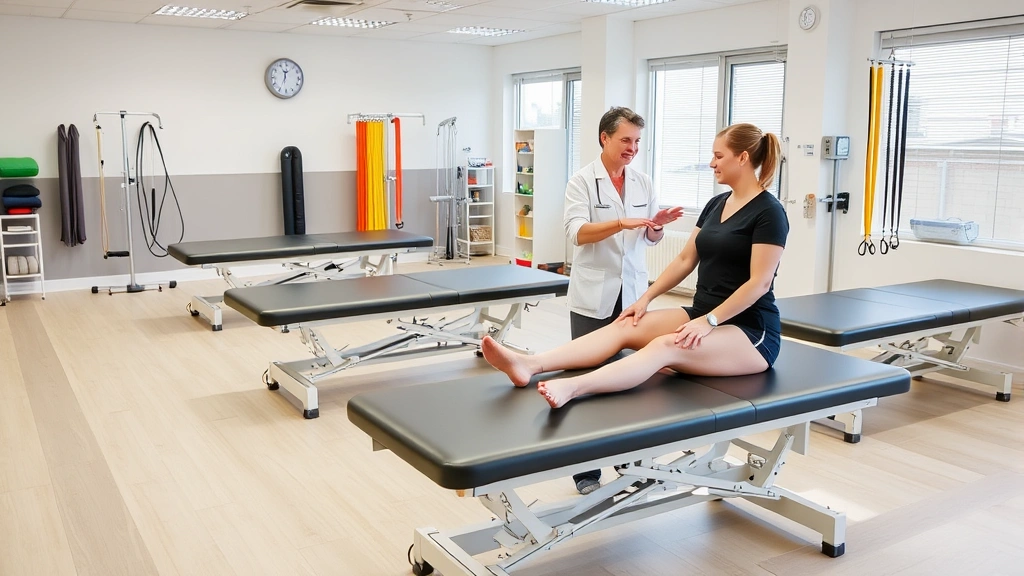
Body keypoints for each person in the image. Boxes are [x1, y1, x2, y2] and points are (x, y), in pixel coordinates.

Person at [483, 121, 787, 412]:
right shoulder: (717, 203)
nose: (712, 163)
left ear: (743, 158)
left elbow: (759, 283)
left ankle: (573, 387)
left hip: (749, 329)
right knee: (626, 325)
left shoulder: (768, 212)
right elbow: (685, 259)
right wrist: (644, 300)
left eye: (718, 156)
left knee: (665, 346)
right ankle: (530, 364)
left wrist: (708, 322)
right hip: (702, 312)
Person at [561, 106, 683, 494]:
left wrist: (656, 228)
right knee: (586, 383)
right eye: (625, 140)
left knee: (631, 381)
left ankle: (630, 463)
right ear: (605, 138)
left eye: (637, 141)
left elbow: (646, 237)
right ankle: (586, 473)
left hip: (632, 294)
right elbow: (576, 234)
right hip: (593, 296)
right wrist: (619, 222)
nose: (632, 148)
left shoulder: (643, 182)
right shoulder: (581, 181)